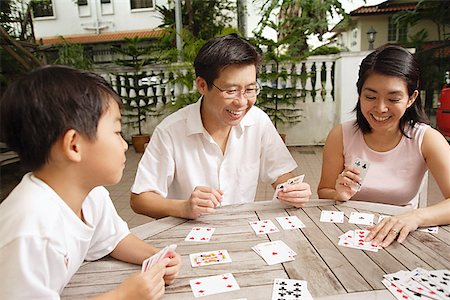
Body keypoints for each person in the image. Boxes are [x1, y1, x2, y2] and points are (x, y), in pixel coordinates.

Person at [0, 65, 181, 299]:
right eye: (117, 132)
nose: (125, 145)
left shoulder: (90, 193)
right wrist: (124, 296)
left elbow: (114, 240)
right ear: (74, 145)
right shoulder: (32, 231)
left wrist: (157, 257)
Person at [130, 34, 312, 220]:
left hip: (241, 230)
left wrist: (294, 191)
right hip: (189, 238)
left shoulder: (258, 121)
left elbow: (282, 176)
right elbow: (140, 199)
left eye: (250, 89)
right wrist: (184, 207)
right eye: (231, 91)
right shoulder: (170, 131)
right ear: (202, 85)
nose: (241, 102)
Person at [317, 45, 450, 247]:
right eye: (370, 97)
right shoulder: (340, 135)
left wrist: (415, 217)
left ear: (411, 98)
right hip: (346, 235)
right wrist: (338, 193)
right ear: (359, 93)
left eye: (393, 99)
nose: (380, 108)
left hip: (403, 239)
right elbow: (324, 191)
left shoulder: (427, 139)